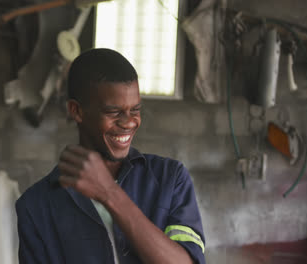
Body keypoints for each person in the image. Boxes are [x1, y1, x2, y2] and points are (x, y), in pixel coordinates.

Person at [15, 48, 206, 264]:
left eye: (135, 110)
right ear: (76, 111)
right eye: (113, 112)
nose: (128, 122)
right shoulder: (36, 206)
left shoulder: (170, 179)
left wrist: (109, 192)